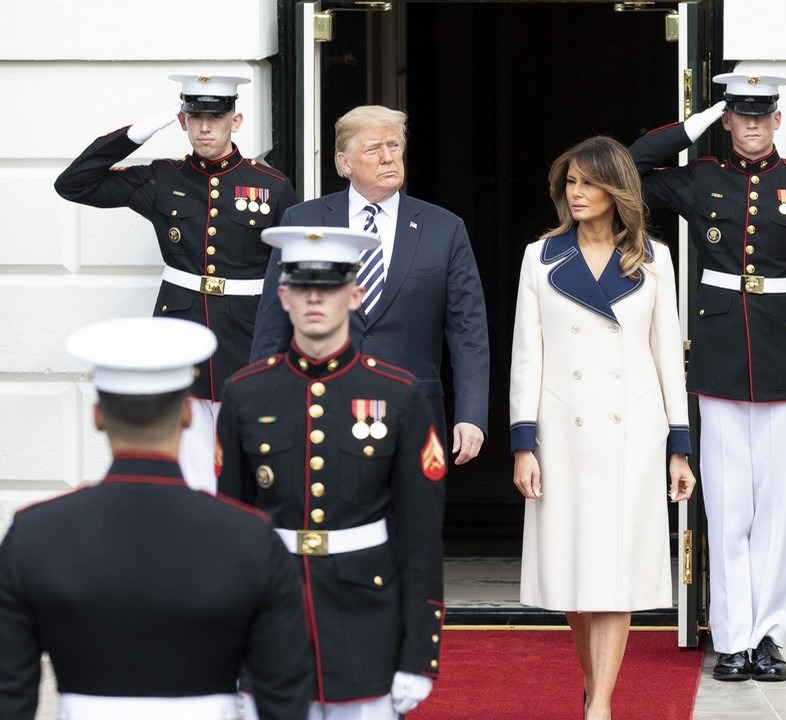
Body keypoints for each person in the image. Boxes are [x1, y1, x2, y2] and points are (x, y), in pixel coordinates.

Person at [629, 74, 786, 681]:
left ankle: (769, 637)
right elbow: (627, 170)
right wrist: (694, 124)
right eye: (739, 114)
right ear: (727, 120)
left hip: (783, 361)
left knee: (773, 509)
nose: (751, 124)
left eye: (761, 114)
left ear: (777, 119)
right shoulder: (701, 178)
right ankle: (731, 639)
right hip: (720, 359)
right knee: (725, 508)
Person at [0, 317, 308, 720]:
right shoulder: (249, 537)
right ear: (188, 414)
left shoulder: (36, 533)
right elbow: (284, 695)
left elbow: (9, 694)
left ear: (97, 416)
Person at [218, 226, 446, 720]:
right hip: (270, 627)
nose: (315, 297)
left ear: (356, 295)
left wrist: (419, 654)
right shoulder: (245, 394)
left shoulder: (398, 395)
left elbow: (420, 538)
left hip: (367, 626)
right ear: (283, 296)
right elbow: (229, 537)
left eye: (330, 285)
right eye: (301, 286)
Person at [510, 136, 696, 720]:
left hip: (631, 434)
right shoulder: (540, 257)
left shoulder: (654, 259)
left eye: (589, 182)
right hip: (562, 434)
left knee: (615, 572)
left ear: (617, 190)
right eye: (571, 182)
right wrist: (523, 444)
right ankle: (593, 686)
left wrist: (679, 447)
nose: (578, 193)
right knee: (573, 575)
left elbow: (667, 356)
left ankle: (602, 706)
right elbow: (527, 356)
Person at [54, 74, 297, 494]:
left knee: (252, 462)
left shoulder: (271, 185)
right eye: (195, 117)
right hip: (181, 331)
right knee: (188, 465)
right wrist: (136, 133)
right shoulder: (162, 179)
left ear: (235, 121)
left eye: (215, 117)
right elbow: (73, 184)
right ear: (183, 121)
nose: (205, 127)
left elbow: (289, 271)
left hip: (249, 334)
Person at [249, 105, 488, 466]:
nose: (388, 157)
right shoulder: (304, 220)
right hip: (319, 408)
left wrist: (471, 414)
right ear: (344, 163)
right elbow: (273, 323)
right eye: (374, 149)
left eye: (394, 146)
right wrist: (262, 404)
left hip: (413, 413)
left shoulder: (445, 229)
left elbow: (468, 330)